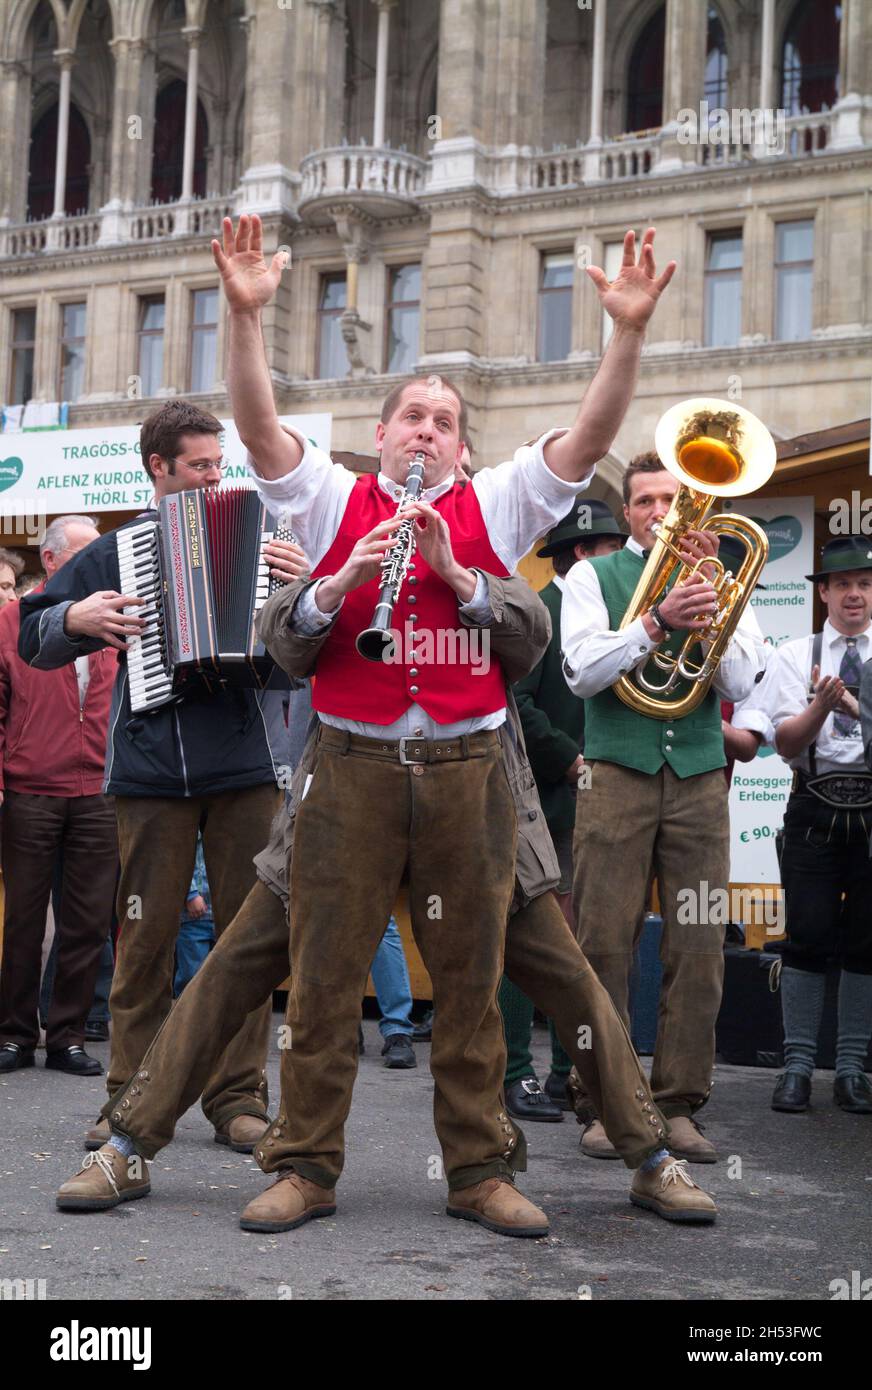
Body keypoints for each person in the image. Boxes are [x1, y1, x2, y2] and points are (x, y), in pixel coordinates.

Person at [209, 213, 674, 1238]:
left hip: (465, 775)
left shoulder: (498, 503)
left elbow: (589, 439)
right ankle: (303, 1163)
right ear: (379, 435)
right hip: (355, 769)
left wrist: (625, 337)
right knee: (324, 988)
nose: (424, 430)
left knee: (469, 991)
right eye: (409, 415)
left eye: (441, 421)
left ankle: (476, 1171)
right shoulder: (331, 495)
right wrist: (246, 320)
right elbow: (254, 430)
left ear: (461, 448)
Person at [55, 567, 716, 1225]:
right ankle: (130, 1146)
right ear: (385, 453)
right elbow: (283, 648)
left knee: (569, 978)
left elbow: (532, 643)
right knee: (235, 966)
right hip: (346, 790)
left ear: (457, 453)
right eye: (405, 449)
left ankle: (645, 1156)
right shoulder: (342, 519)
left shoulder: (487, 517)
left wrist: (460, 574)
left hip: (476, 794)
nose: (418, 455)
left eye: (434, 448)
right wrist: (323, 585)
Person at [17, 400, 306, 1151]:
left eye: (220, 464)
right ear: (159, 468)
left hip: (244, 768)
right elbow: (30, 634)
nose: (216, 478)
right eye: (201, 466)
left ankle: (238, 1098)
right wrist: (74, 620)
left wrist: (301, 600)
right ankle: (129, 1099)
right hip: (149, 773)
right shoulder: (116, 551)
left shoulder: (265, 538)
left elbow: (292, 669)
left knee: (246, 942)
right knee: (144, 940)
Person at [561, 450, 766, 1162]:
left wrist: (713, 606)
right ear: (628, 514)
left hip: (700, 778)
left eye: (673, 501)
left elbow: (745, 677)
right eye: (647, 502)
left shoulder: (721, 576)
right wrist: (654, 624)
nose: (661, 514)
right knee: (603, 945)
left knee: (701, 946)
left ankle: (679, 1103)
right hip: (616, 773)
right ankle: (604, 1103)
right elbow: (583, 672)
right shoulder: (594, 575)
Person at [504, 498, 625, 1123]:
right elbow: (516, 705)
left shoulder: (607, 614)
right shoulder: (539, 612)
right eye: (612, 550)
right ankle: (515, 1071)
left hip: (595, 797)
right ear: (583, 553)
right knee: (534, 934)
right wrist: (572, 760)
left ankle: (563, 1073)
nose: (622, 562)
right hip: (547, 797)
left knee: (575, 942)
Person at [757, 537, 872, 1115]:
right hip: (813, 804)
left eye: (865, 584)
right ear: (823, 592)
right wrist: (822, 707)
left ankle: (851, 1071)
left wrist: (861, 709)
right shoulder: (793, 655)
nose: (855, 594)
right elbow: (783, 743)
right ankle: (797, 1067)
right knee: (807, 931)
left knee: (868, 940)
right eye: (843, 583)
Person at [0, 516, 117, 1075]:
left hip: (100, 789)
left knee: (88, 921)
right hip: (30, 788)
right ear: (50, 561)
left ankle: (68, 1035)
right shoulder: (9, 618)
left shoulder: (116, 614)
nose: (98, 563)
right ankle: (16, 1034)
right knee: (24, 919)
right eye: (83, 554)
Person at [174, 836, 214, 997]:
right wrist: (190, 893)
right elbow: (178, 857)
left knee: (220, 977)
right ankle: (185, 1018)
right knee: (192, 976)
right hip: (194, 918)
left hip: (223, 914)